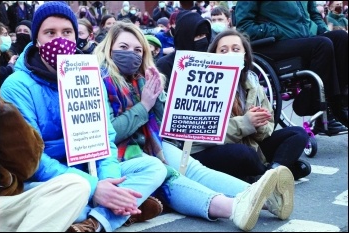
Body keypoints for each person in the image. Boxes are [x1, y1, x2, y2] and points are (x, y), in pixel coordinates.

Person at [94, 20, 295, 232]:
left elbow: (165, 124)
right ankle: (234, 208)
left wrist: (158, 96)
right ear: (109, 48)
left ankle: (263, 197)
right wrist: (144, 105)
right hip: (120, 153)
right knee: (170, 176)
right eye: (124, 48)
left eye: (137, 50)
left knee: (193, 168)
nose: (132, 55)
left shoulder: (142, 78)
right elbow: (111, 134)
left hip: (150, 143)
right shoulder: (100, 79)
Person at [0, 2, 167, 232]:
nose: (59, 39)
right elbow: (33, 161)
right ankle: (116, 212)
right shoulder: (17, 86)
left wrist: (108, 181)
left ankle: (96, 221)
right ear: (37, 40)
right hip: (49, 182)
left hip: (89, 170)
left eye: (67, 32)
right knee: (74, 199)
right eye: (50, 33)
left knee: (154, 167)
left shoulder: (88, 75)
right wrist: (94, 187)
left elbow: (105, 138)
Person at [191, 28, 311, 183]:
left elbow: (267, 130)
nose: (230, 54)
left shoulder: (253, 84)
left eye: (235, 49)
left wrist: (259, 124)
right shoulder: (203, 86)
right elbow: (200, 137)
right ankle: (278, 171)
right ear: (214, 55)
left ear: (245, 56)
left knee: (298, 134)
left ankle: (269, 175)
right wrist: (245, 123)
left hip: (251, 145)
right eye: (223, 50)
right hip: (213, 151)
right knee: (244, 154)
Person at [235, 1, 348, 133]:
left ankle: (339, 105)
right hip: (273, 43)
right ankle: (319, 107)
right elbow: (244, 27)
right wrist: (276, 30)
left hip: (304, 40)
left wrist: (324, 31)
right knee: (323, 45)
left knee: (341, 38)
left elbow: (314, 15)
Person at [0, 97, 91, 232]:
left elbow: (28, 168)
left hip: (8, 203)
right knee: (84, 208)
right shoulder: (17, 84)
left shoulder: (4, 111)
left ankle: (98, 217)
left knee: (77, 186)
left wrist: (5, 114)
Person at [156, 10, 212, 91]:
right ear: (185, 37)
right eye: (198, 36)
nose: (203, 40)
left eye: (204, 35)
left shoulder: (212, 62)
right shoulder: (165, 64)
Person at [0, 23, 18, 88]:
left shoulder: (4, 53)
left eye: (7, 34)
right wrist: (10, 67)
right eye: (5, 34)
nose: (7, 38)